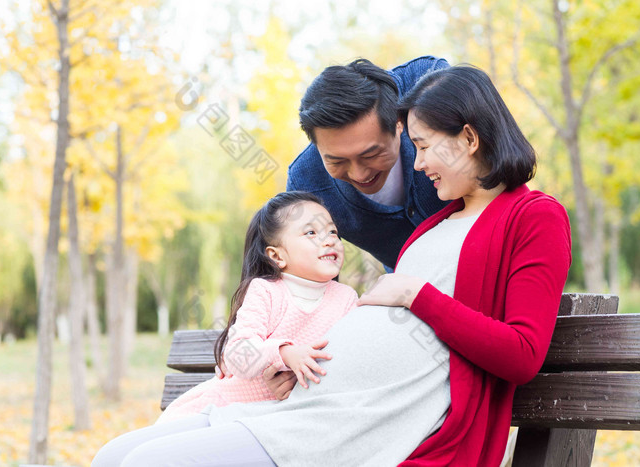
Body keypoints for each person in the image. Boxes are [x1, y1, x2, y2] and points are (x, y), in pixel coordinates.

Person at [93, 65, 571, 467]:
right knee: (114, 455)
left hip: (361, 422)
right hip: (309, 399)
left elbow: (522, 354)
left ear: (468, 138)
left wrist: (412, 294)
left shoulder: (533, 215)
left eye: (423, 146)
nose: (418, 163)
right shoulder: (440, 220)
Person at [93, 191, 358, 464]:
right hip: (228, 409)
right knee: (110, 457)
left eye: (333, 232)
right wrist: (284, 353)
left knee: (144, 461)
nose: (328, 240)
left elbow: (350, 366)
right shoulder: (266, 292)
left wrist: (300, 389)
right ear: (277, 256)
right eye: (311, 233)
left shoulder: (346, 299)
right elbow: (238, 354)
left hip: (275, 426)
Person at [288, 56, 451, 271]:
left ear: (398, 122)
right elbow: (309, 274)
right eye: (337, 161)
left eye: (371, 155)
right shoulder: (305, 183)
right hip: (410, 288)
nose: (359, 175)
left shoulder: (427, 84)